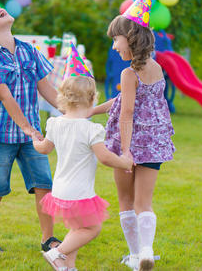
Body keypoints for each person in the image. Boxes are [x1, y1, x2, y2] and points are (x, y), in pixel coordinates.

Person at [91, 0, 176, 270]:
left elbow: (126, 113)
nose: (114, 47)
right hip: (154, 143)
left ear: (129, 39)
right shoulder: (155, 67)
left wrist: (125, 152)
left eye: (116, 40)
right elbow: (122, 101)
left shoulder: (129, 73)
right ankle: (147, 251)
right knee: (145, 203)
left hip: (128, 144)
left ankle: (134, 254)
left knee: (126, 201)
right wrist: (92, 110)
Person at [0, 1, 61, 252]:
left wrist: (70, 109)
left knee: (44, 184)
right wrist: (30, 129)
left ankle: (48, 238)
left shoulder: (29, 51)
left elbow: (47, 89)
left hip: (31, 136)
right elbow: (7, 98)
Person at [32, 76, 134, 271]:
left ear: (63, 97)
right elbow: (104, 157)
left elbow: (44, 149)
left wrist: (34, 140)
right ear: (92, 99)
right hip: (79, 191)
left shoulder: (55, 123)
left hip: (60, 189)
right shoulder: (91, 129)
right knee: (92, 229)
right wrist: (124, 162)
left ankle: (68, 266)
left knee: (78, 228)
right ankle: (56, 253)